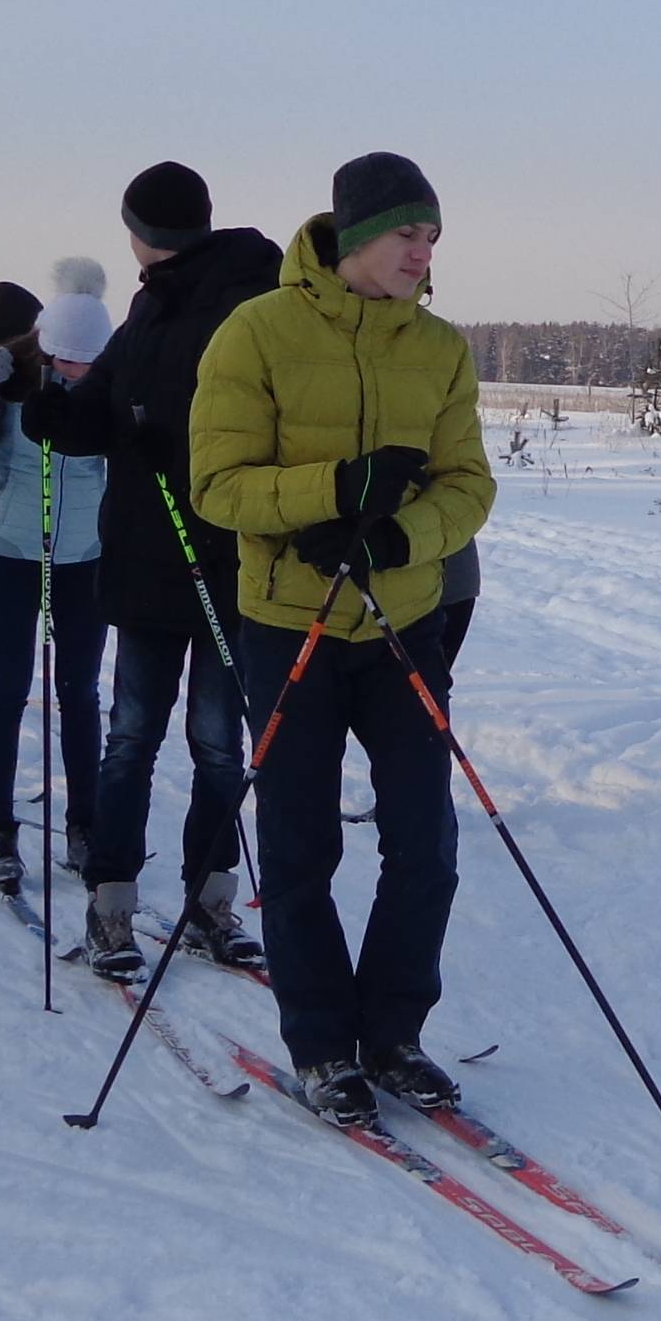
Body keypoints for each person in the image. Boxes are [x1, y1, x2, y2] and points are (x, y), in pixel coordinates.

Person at [191, 152, 495, 1124]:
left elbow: (468, 484)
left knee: (427, 841)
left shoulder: (439, 349)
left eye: (433, 236)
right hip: (292, 623)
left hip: (404, 619)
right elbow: (216, 485)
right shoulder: (257, 333)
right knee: (298, 844)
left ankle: (394, 1032)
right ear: (358, 235)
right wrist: (331, 492)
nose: (424, 250)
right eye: (409, 232)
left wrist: (410, 530)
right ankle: (323, 1043)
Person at [22, 165, 286, 972]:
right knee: (134, 737)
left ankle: (210, 900)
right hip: (145, 561)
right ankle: (113, 905)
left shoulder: (248, 304)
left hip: (223, 562)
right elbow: (100, 413)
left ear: (143, 232)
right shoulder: (148, 306)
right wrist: (47, 409)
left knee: (213, 743)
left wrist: (160, 438)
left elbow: (251, 418)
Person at [0, 261, 113, 895]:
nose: (73, 372)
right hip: (12, 551)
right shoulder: (10, 378)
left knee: (79, 694)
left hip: (84, 559)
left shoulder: (109, 389)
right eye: (63, 358)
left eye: (85, 362)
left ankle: (84, 826)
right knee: (9, 687)